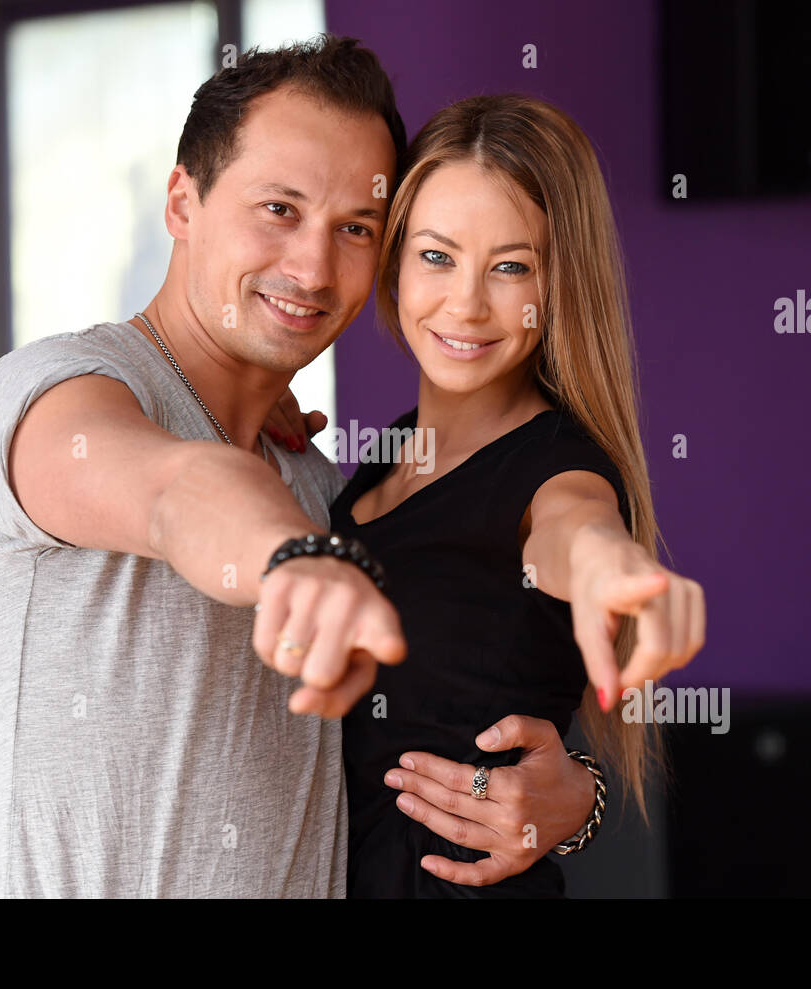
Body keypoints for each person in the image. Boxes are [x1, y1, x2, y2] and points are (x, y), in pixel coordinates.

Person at [0, 36, 599, 898]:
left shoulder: (326, 492)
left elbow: (442, 725)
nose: (313, 267)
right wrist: (293, 557)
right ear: (183, 201)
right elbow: (174, 491)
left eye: (355, 228)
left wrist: (576, 795)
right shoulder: (57, 395)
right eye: (279, 208)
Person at [275, 94, 706, 896]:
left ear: (559, 284)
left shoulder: (560, 467)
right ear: (396, 261)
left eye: (511, 267)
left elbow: (575, 527)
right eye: (437, 256)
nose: (467, 304)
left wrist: (611, 567)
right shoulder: (387, 454)